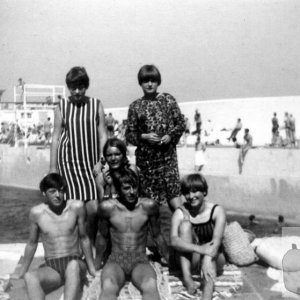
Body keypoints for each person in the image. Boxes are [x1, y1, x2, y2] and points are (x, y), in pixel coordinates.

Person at [11, 173, 96, 300]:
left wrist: (91, 269)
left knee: (72, 265)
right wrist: (22, 272)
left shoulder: (76, 207)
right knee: (30, 277)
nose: (58, 195)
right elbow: (32, 244)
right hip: (52, 267)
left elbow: (84, 238)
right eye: (53, 191)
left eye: (61, 191)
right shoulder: (37, 213)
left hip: (75, 263)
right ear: (44, 193)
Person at [49, 66, 107, 241]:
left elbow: (103, 134)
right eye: (73, 87)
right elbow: (56, 137)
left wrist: (101, 161)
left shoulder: (96, 104)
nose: (76, 91)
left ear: (86, 86)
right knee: (74, 208)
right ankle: (76, 247)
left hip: (91, 164)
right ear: (68, 87)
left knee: (93, 209)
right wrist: (53, 168)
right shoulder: (62, 106)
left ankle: (88, 244)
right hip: (68, 163)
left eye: (80, 87)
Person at [98, 168, 169, 300]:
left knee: (150, 286)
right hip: (116, 259)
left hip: (140, 259)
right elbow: (102, 237)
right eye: (126, 188)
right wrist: (96, 264)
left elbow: (157, 235)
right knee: (108, 286)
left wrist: (169, 259)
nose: (131, 192)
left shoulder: (148, 206)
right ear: (118, 190)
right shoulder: (108, 208)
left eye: (134, 187)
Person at [125, 64, 185, 210]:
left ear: (158, 82)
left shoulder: (168, 100)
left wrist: (170, 136)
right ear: (140, 83)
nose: (150, 84)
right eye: (146, 81)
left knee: (174, 199)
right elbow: (129, 134)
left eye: (153, 80)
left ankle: (185, 228)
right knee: (149, 203)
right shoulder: (135, 106)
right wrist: (144, 136)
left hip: (167, 159)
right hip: (147, 163)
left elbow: (181, 123)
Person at [170, 173, 226, 299]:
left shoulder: (216, 210)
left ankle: (206, 295)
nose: (191, 196)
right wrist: (200, 249)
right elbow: (173, 241)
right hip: (191, 258)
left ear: (204, 192)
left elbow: (217, 241)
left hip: (214, 256)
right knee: (185, 226)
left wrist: (207, 256)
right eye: (187, 193)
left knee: (210, 261)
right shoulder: (180, 212)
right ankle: (188, 279)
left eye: (195, 191)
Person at [93, 137, 138, 269]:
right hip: (112, 217)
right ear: (105, 158)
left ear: (124, 155)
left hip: (131, 213)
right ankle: (98, 260)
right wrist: (109, 186)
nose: (113, 158)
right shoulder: (102, 177)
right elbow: (103, 206)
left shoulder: (132, 170)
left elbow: (135, 197)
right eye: (109, 155)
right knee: (103, 223)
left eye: (117, 154)